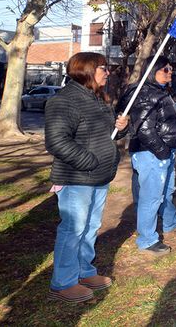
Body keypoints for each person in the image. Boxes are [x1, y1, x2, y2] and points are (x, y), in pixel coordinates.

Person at [45, 52, 129, 303]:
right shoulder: (65, 100)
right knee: (73, 229)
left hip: (99, 177)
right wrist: (90, 162)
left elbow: (104, 137)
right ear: (87, 70)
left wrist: (120, 128)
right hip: (76, 178)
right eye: (103, 68)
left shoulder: (97, 99)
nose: (107, 72)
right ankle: (63, 282)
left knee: (90, 227)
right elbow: (57, 141)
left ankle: (83, 271)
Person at [122, 56, 176, 255]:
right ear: (153, 71)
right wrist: (162, 152)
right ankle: (147, 239)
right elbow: (144, 129)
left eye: (170, 68)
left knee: (168, 190)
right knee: (150, 197)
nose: (170, 72)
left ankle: (170, 221)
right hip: (151, 153)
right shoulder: (145, 93)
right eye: (165, 69)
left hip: (165, 152)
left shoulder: (162, 91)